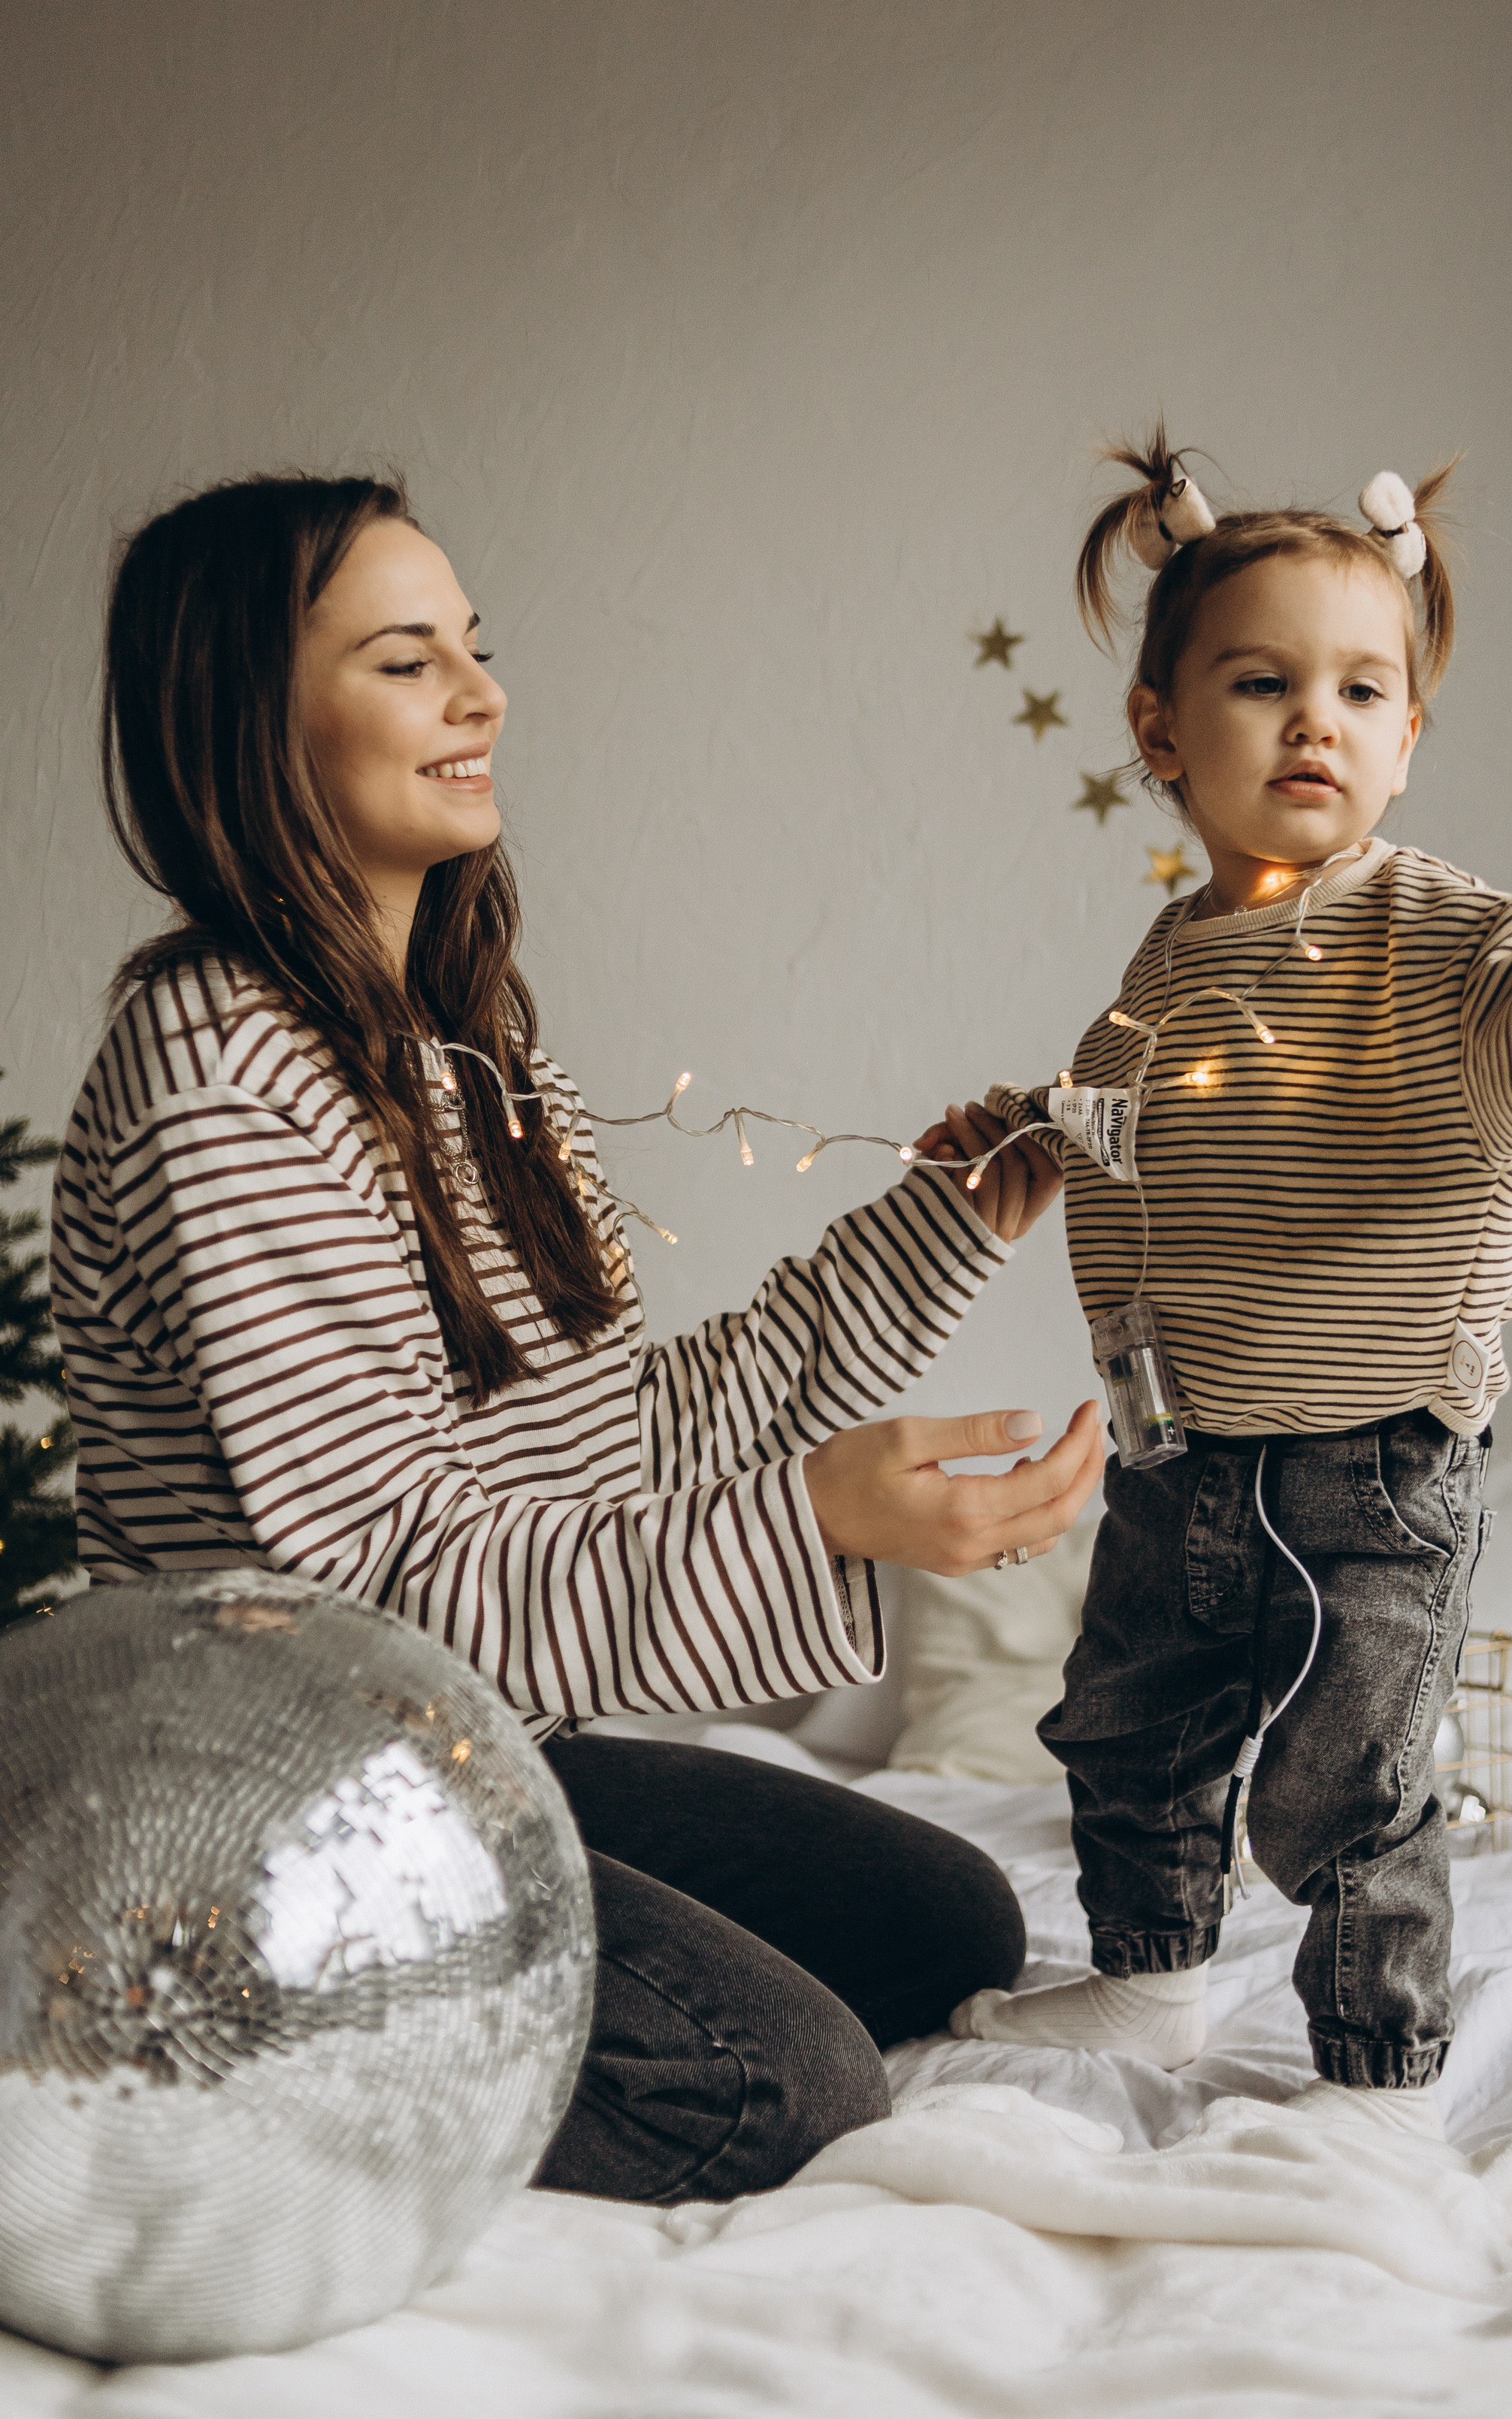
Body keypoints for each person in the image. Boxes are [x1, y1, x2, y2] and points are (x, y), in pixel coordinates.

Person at [50, 470, 1104, 2203]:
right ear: (250, 723)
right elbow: (377, 1596)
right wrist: (819, 1521)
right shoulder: (219, 1074)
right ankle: (181, 2040)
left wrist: (949, 1221)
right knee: (774, 2086)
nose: (483, 695)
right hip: (275, 1811)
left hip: (454, 1752)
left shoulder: (464, 1056)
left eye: (476, 647)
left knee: (944, 1922)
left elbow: (625, 1442)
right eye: (409, 661)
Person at [952, 431, 1512, 2132]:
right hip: (1178, 1447)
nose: (1318, 722)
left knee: (1346, 1784)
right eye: (1265, 681)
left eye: (1366, 691)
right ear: (1161, 733)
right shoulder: (1165, 969)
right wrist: (1029, 1133)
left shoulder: (1432, 937)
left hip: (1375, 1458)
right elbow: (1152, 1143)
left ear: (1409, 743)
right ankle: (1146, 1981)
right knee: (1129, 1728)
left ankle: (1376, 2063)